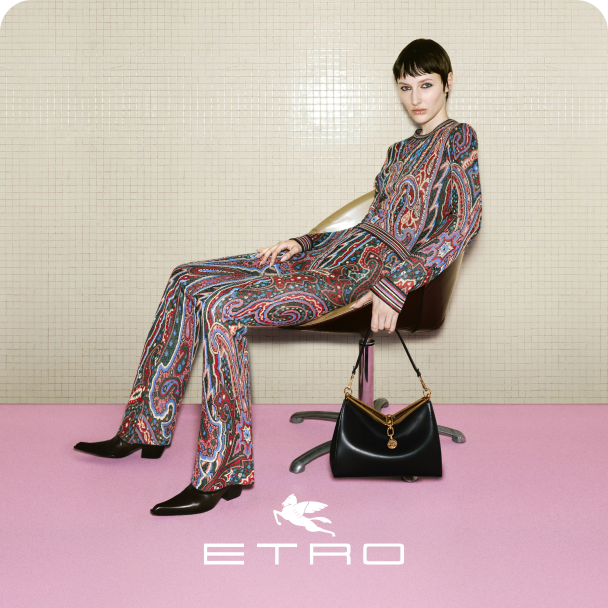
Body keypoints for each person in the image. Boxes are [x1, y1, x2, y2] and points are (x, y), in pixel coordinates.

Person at [74, 38, 482, 516]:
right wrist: (304, 242)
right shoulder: (398, 151)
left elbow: (464, 222)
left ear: (447, 84)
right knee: (186, 278)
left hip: (367, 277)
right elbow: (370, 225)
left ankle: (222, 473)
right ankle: (146, 426)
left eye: (426, 85)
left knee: (223, 308)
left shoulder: (459, 138)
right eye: (405, 87)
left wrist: (397, 284)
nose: (415, 98)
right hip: (335, 255)